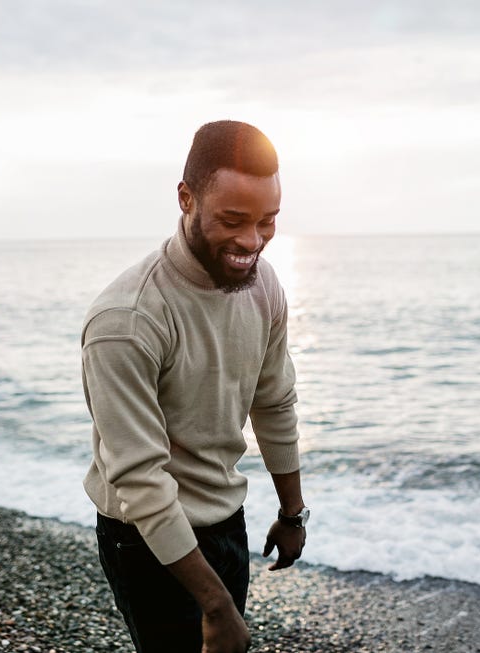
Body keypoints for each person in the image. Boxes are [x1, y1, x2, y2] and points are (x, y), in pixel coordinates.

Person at [80, 120, 309, 653]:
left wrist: (292, 512)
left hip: (226, 517)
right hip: (146, 536)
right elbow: (139, 478)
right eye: (233, 220)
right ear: (186, 198)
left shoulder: (263, 284)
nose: (251, 242)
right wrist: (217, 605)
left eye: (267, 222)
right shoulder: (126, 320)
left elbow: (274, 400)